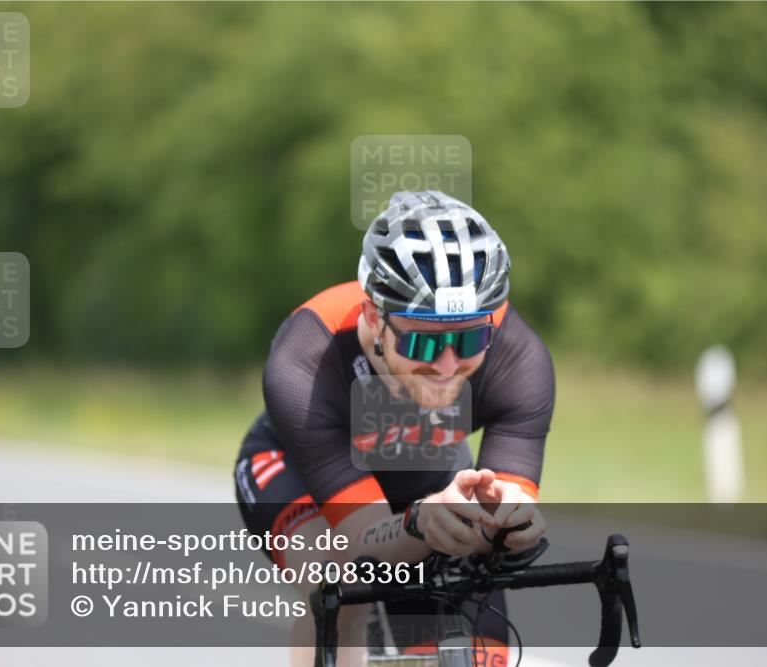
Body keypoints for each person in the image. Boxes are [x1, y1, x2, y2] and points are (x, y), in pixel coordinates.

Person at [234, 191, 556, 666]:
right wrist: (420, 521)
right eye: (425, 345)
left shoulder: (519, 358)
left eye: (469, 338)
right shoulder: (305, 358)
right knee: (342, 588)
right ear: (372, 318)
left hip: (426, 464)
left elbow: (507, 499)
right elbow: (363, 537)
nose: (448, 365)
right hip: (295, 471)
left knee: (482, 636)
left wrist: (510, 523)